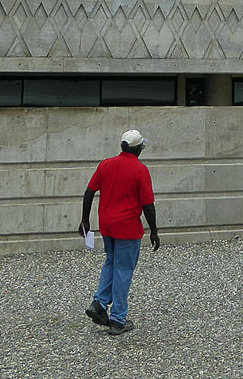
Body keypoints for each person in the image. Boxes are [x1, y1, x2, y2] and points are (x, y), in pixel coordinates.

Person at [79, 129, 160, 335]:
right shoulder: (140, 170)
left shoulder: (106, 164)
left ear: (122, 146)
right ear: (139, 148)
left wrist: (85, 220)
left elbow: (89, 192)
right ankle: (118, 319)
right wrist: (154, 231)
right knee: (123, 270)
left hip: (107, 225)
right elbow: (148, 205)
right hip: (128, 228)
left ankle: (99, 303)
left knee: (111, 262)